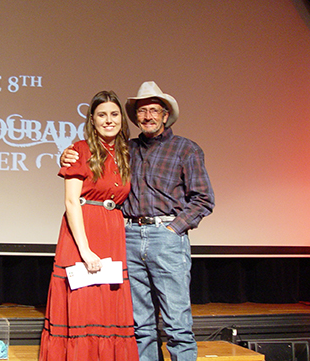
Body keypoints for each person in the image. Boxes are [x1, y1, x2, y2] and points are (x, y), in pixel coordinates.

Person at [61, 81, 215, 361]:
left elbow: (204, 199)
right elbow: (92, 165)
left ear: (166, 115)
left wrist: (172, 229)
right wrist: (67, 155)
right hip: (129, 237)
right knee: (141, 325)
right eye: (142, 111)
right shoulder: (125, 149)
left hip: (166, 238)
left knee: (177, 324)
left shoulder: (186, 149)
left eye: (154, 110)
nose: (148, 116)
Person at [39, 90, 139, 361]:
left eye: (114, 114)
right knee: (85, 307)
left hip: (113, 234)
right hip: (83, 234)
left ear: (121, 119)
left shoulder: (125, 153)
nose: (109, 120)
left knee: (108, 307)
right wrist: (85, 250)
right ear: (92, 120)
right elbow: (71, 202)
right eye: (102, 115)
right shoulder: (80, 150)